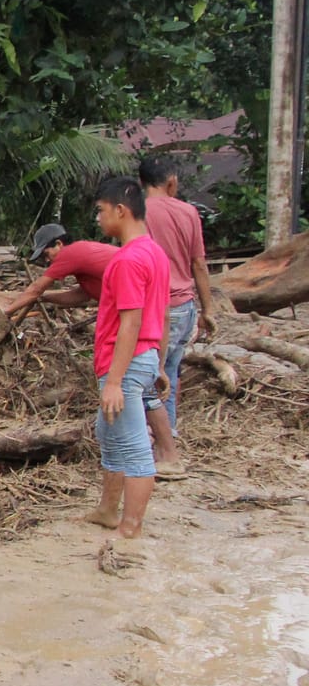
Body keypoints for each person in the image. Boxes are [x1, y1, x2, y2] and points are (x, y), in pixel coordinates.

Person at [86, 176, 171, 539]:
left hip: (125, 362)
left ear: (120, 210)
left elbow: (131, 322)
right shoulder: (155, 253)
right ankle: (108, 510)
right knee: (108, 432)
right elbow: (163, 314)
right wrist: (159, 363)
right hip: (143, 358)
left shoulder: (128, 260)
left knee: (135, 448)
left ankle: (130, 528)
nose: (99, 218)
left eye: (101, 211)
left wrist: (116, 381)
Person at [139, 155, 218, 479]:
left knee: (149, 380)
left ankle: (164, 451)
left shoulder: (138, 213)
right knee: (169, 374)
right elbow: (199, 263)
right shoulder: (188, 212)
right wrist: (208, 309)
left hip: (157, 307)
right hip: (185, 306)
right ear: (171, 181)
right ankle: (167, 441)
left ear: (142, 182)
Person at [0, 223, 118, 320]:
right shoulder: (80, 255)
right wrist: (44, 298)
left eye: (46, 254)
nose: (47, 260)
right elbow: (82, 295)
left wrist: (7, 311)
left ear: (59, 244)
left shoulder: (68, 253)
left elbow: (36, 288)